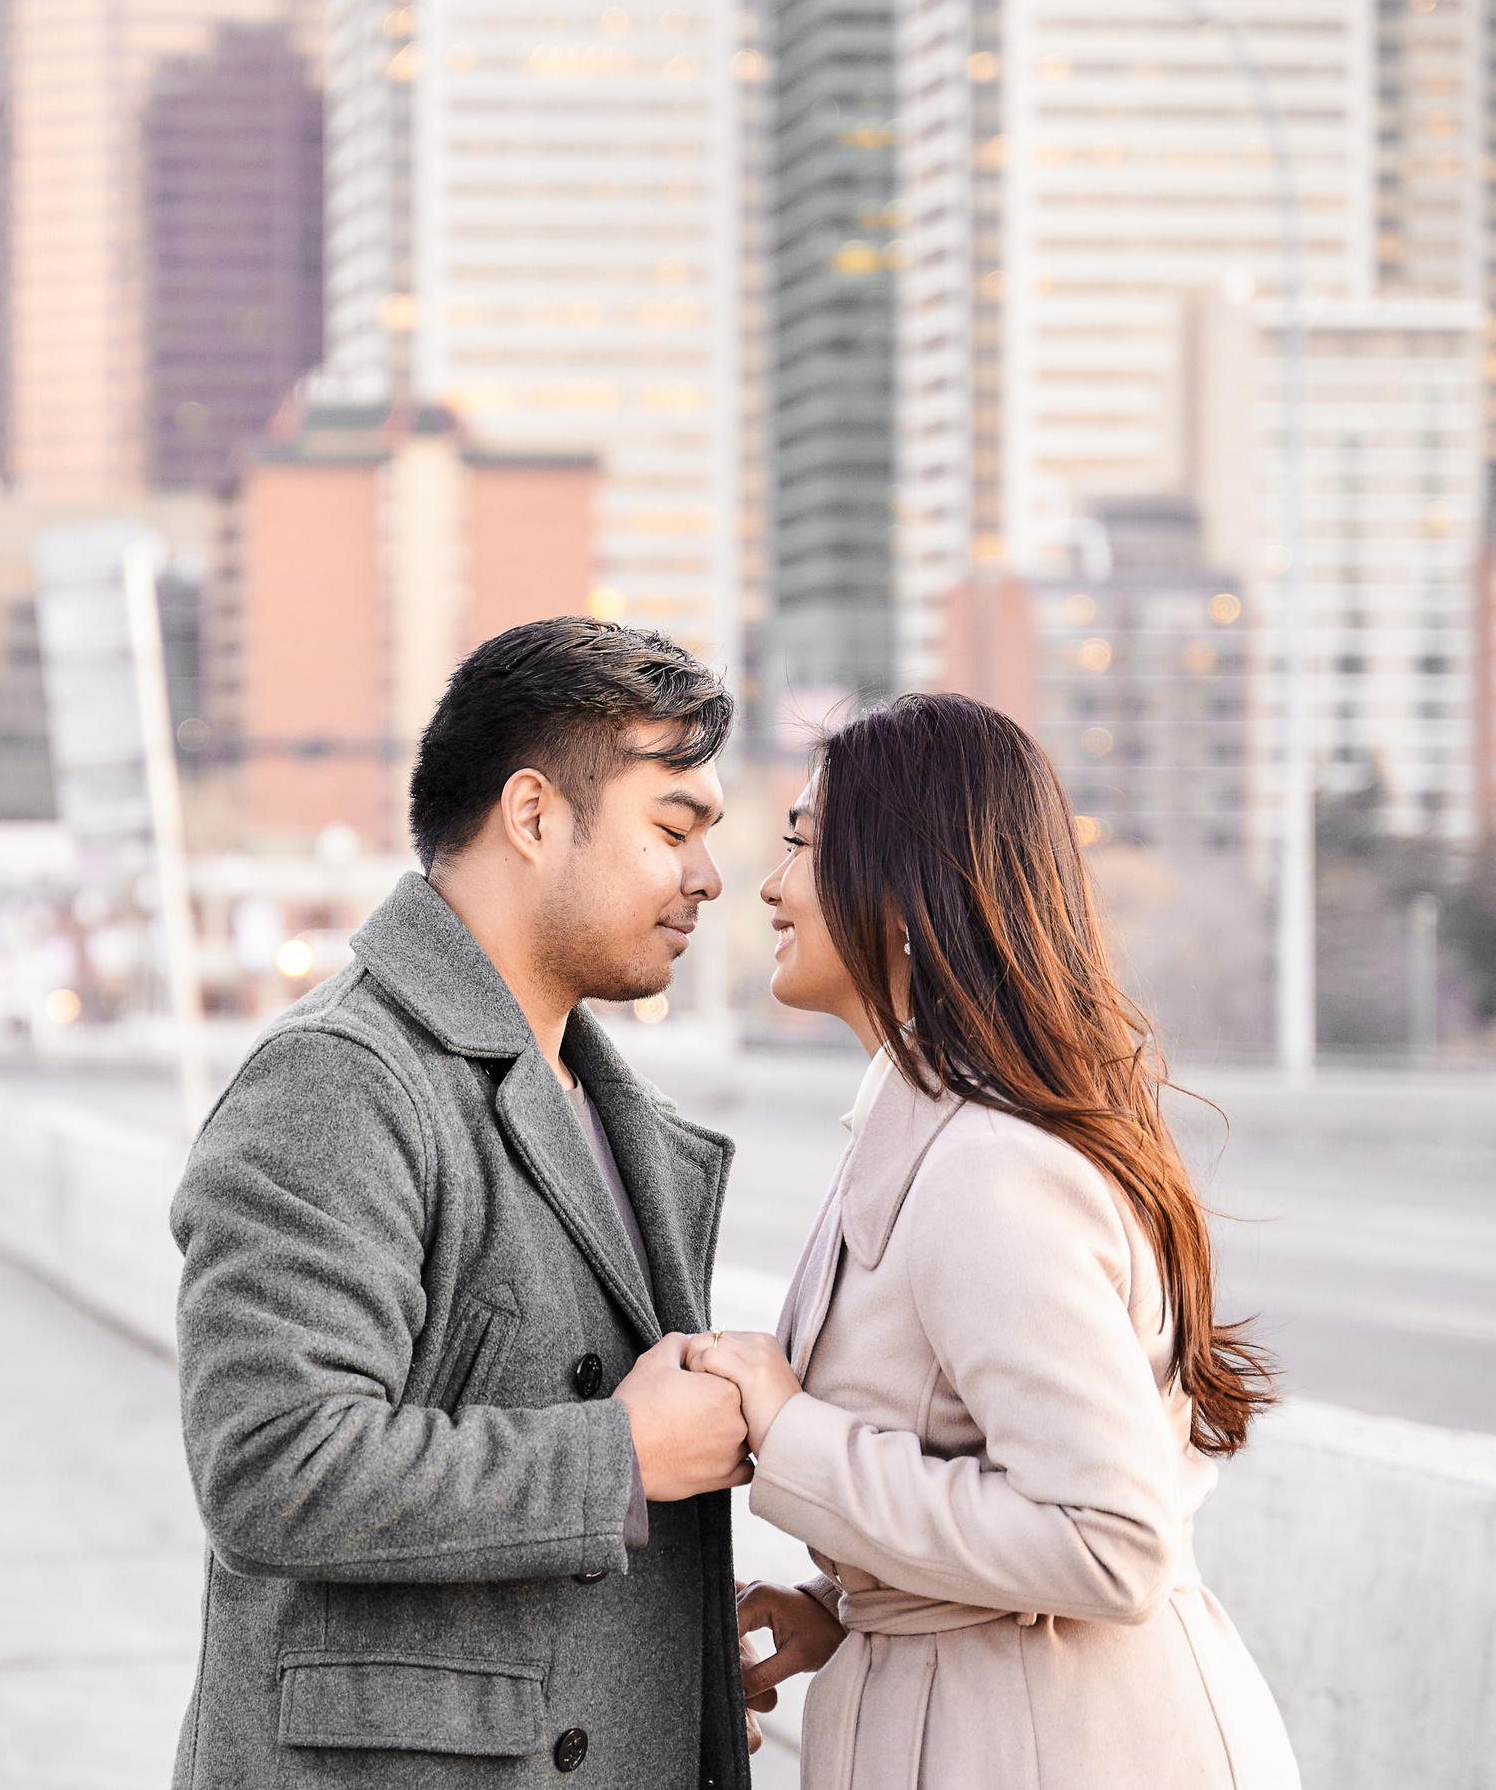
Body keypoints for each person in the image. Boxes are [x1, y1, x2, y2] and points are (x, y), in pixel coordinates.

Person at [170, 617, 758, 1789]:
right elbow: (273, 1465)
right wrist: (623, 1451)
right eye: (671, 828)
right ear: (533, 815)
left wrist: (653, 1664)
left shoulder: (599, 1096)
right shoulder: (340, 1076)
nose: (707, 875)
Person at [692, 693, 1302, 1789]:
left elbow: (1108, 1535)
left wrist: (786, 1430)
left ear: (908, 887)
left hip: (1063, 1742)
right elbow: (984, 1459)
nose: (771, 883)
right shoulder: (940, 1129)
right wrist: (854, 1602)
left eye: (800, 842)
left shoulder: (988, 1163)